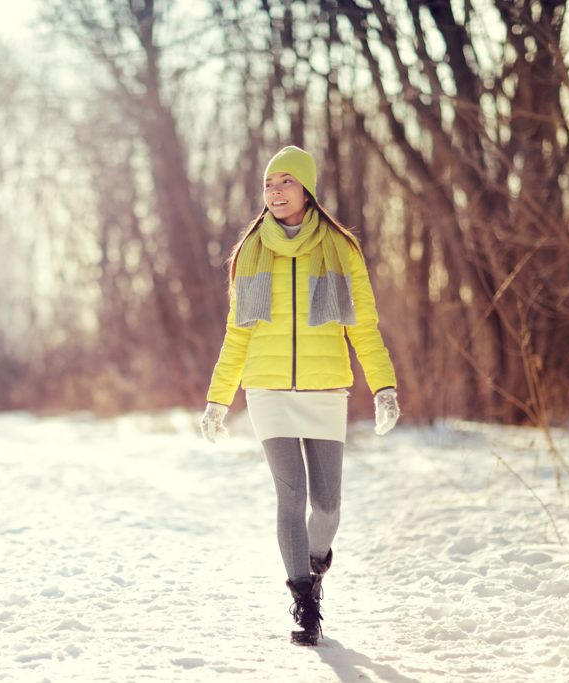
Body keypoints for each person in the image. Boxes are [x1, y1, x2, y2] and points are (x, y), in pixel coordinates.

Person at [199, 145, 400, 646]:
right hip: (266, 390)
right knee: (290, 496)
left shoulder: (339, 248)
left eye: (285, 182)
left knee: (327, 506)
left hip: (325, 386)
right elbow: (238, 332)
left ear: (306, 188)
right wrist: (218, 398)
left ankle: (314, 562)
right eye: (269, 184)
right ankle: (304, 602)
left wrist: (384, 386)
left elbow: (365, 327)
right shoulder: (251, 251)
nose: (275, 191)